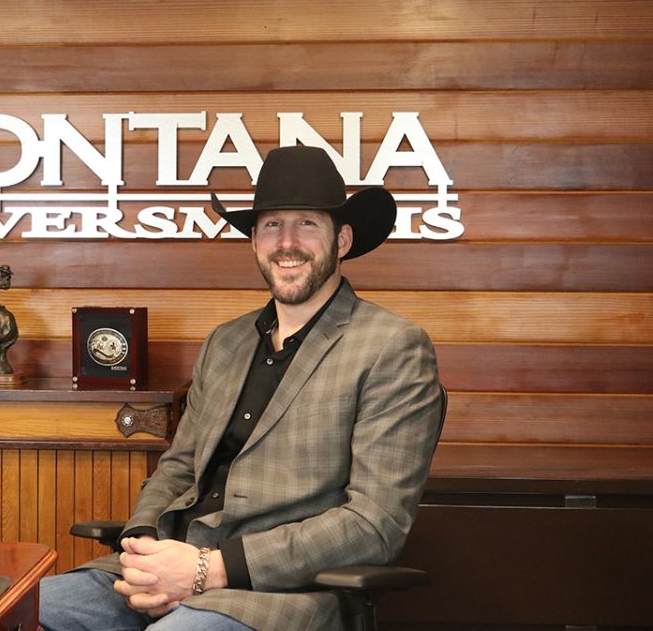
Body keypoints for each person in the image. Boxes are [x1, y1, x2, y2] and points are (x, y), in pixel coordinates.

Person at [39, 146, 443, 631]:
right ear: (254, 240)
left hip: (274, 593)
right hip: (168, 563)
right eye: (272, 225)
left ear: (343, 240)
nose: (287, 242)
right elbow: (179, 468)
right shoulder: (225, 343)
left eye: (307, 224)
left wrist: (207, 571)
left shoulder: (393, 347)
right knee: (15, 609)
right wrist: (145, 545)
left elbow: (373, 525)